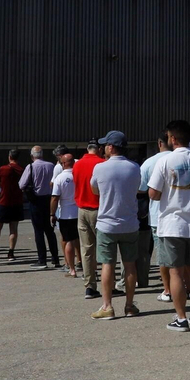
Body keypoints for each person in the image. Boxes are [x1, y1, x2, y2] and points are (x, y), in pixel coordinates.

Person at [148, 121, 190, 331]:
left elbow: (152, 193)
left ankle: (181, 318)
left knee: (175, 273)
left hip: (171, 225)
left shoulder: (166, 161)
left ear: (173, 139)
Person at [90, 132, 141, 319]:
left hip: (107, 224)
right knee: (129, 266)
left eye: (105, 145)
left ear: (111, 147)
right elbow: (137, 188)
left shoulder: (100, 168)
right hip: (129, 223)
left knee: (107, 264)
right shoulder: (134, 167)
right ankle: (129, 305)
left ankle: (107, 306)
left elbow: (94, 189)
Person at [139, 133, 172, 301]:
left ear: (159, 143)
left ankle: (167, 290)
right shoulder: (185, 159)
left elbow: (141, 188)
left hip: (158, 214)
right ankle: (184, 286)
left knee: (163, 255)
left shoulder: (150, 162)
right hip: (183, 215)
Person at [74, 140, 104, 299]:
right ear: (99, 149)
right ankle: (109, 285)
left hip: (82, 209)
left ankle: (90, 286)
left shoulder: (77, 165)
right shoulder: (102, 163)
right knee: (106, 249)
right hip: (99, 209)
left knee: (87, 250)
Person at [21, 145, 59, 268]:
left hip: (36, 200)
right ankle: (55, 258)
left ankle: (42, 259)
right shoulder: (51, 165)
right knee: (50, 230)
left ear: (32, 156)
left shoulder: (30, 167)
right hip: (49, 199)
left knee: (38, 231)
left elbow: (21, 184)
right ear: (42, 154)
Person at [50, 148, 81, 276]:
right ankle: (85, 265)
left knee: (68, 241)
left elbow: (55, 198)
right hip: (80, 212)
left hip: (66, 214)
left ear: (63, 164)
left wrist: (52, 214)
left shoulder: (60, 178)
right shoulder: (79, 175)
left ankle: (71, 268)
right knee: (82, 241)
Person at [0, 150, 24, 261]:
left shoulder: (3, 169)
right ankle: (11, 252)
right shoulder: (21, 169)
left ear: (9, 156)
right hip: (17, 202)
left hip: (3, 201)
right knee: (13, 228)